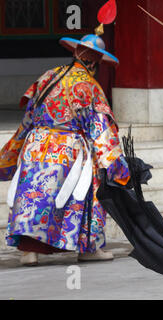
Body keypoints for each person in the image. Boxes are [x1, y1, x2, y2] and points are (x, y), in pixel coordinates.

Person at [0, 17, 129, 266]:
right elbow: (100, 131)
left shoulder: (48, 76)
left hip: (35, 145)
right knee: (87, 189)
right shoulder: (89, 87)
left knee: (31, 196)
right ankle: (88, 247)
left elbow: (28, 118)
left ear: (77, 54)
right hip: (67, 149)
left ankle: (29, 251)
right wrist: (115, 165)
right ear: (95, 63)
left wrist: (14, 150)